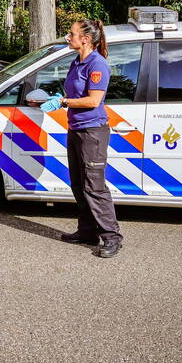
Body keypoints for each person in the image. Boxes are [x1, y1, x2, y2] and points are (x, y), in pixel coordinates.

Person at [40, 19, 122, 258]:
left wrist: (64, 102)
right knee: (78, 183)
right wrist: (58, 98)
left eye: (72, 34)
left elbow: (93, 100)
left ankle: (111, 237)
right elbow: (76, 92)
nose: (68, 37)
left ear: (85, 39)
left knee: (94, 186)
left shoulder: (97, 64)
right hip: (76, 129)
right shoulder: (78, 61)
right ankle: (87, 230)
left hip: (92, 132)